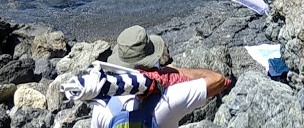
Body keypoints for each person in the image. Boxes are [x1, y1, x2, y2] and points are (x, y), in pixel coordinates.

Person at [84, 26, 233, 128]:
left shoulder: (103, 104)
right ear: (150, 61)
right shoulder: (169, 98)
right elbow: (218, 80)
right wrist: (173, 71)